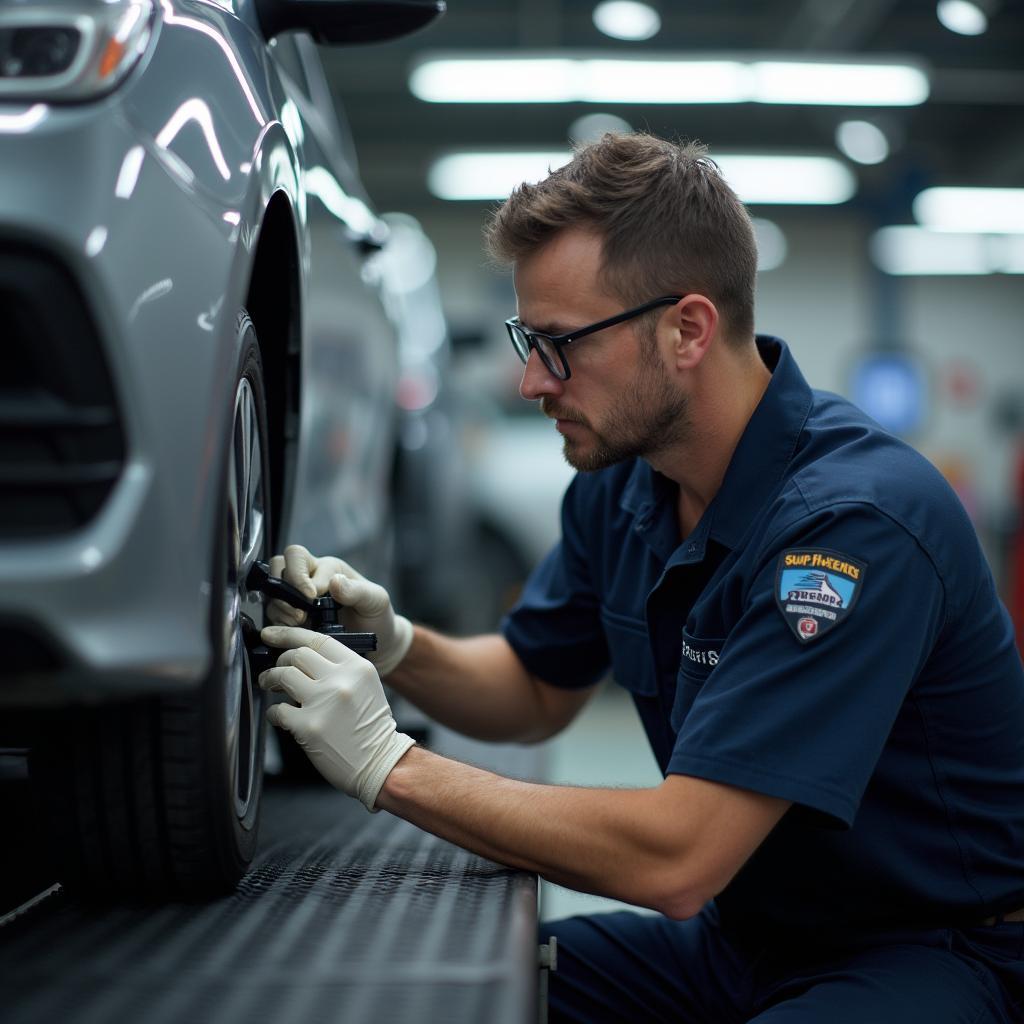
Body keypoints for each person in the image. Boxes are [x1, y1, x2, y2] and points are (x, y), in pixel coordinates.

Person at [258, 133, 1024, 1022]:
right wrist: (393, 646)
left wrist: (390, 766)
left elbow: (678, 860)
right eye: (525, 340)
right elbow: (536, 686)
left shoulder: (852, 527)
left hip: (938, 953)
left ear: (687, 330)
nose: (528, 382)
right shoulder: (627, 482)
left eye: (558, 344)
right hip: (753, 942)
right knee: (438, 1001)